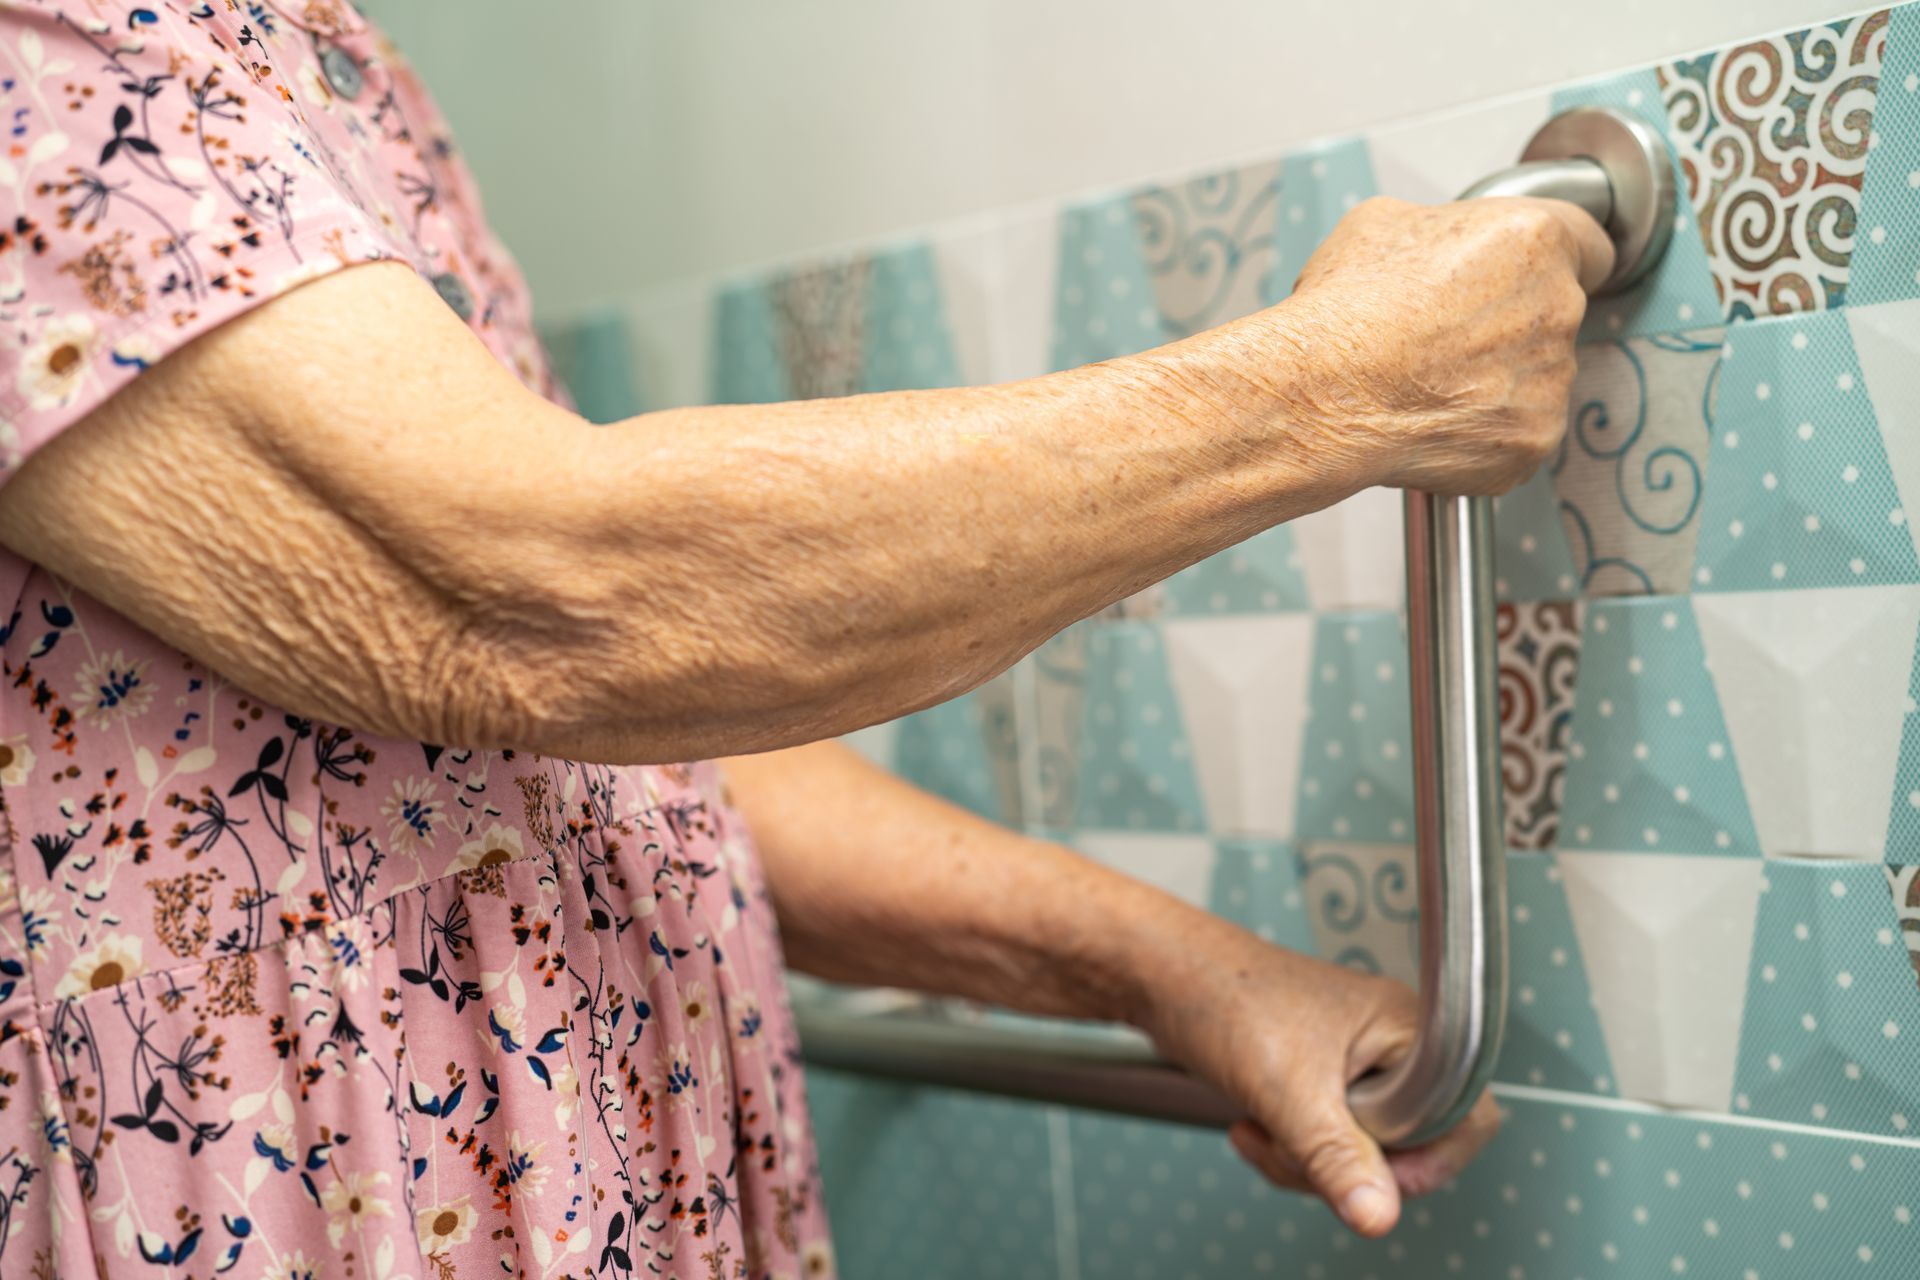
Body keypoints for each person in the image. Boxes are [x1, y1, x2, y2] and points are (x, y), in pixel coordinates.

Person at [0, 3, 1610, 1276]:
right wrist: (1350, 384)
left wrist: (1176, 971)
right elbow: (557, 607)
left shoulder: (302, 63)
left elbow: (580, 755)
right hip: (258, 1195)